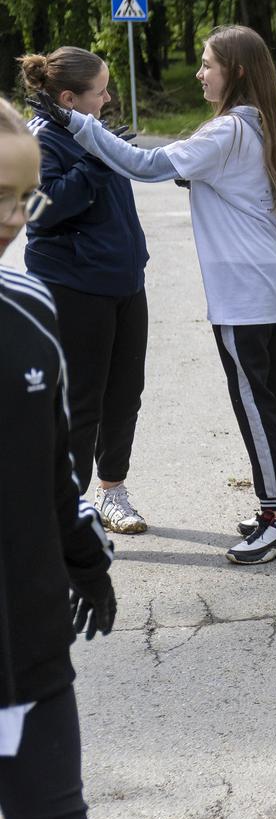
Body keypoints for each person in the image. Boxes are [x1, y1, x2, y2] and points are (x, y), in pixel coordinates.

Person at [30, 26, 276, 565]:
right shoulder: (260, 119)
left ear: (233, 72)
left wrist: (80, 127)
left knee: (255, 399)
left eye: (207, 64)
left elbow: (148, 166)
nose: (199, 72)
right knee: (275, 390)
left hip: (241, 287)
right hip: (268, 279)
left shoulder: (229, 129)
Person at [0, 95, 121, 819]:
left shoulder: (30, 307)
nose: (13, 219)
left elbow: (57, 471)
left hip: (31, 663)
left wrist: (85, 557)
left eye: (24, 201)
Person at [20, 47, 152, 535]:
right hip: (73, 286)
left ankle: (112, 491)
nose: (109, 97)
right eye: (100, 91)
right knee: (81, 400)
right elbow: (41, 209)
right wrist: (96, 164)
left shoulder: (89, 131)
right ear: (70, 98)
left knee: (125, 394)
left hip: (123, 282)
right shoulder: (39, 139)